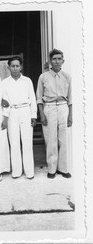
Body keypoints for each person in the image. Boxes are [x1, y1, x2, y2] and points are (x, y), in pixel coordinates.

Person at [36, 49, 72, 179]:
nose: (57, 61)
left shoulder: (67, 76)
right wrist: (42, 114)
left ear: (63, 60)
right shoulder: (43, 76)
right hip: (49, 108)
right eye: (54, 59)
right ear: (50, 61)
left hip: (63, 107)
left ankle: (63, 168)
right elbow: (39, 97)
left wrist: (70, 115)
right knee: (51, 139)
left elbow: (70, 97)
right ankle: (51, 169)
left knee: (63, 139)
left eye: (59, 59)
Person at [1, 56, 37, 179]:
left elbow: (32, 98)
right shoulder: (4, 83)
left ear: (21, 66)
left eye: (17, 66)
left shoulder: (27, 81)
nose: (15, 68)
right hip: (12, 113)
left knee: (27, 142)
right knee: (14, 142)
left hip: (25, 111)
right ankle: (16, 171)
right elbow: (4, 100)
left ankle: (29, 171)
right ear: (8, 67)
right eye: (13, 66)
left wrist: (33, 115)